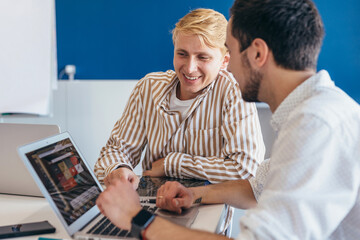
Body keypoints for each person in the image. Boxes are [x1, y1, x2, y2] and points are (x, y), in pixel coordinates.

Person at [96, 0, 360, 239]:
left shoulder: (315, 124)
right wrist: (194, 194)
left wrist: (138, 218)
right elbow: (256, 187)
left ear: (257, 54)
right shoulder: (316, 111)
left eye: (230, 52)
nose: (229, 68)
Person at [94, 9, 265, 189]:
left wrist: (172, 164)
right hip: (153, 204)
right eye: (182, 54)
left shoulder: (233, 90)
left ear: (224, 62)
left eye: (203, 57)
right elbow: (114, 152)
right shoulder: (149, 87)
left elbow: (247, 169)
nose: (190, 68)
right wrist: (118, 168)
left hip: (207, 206)